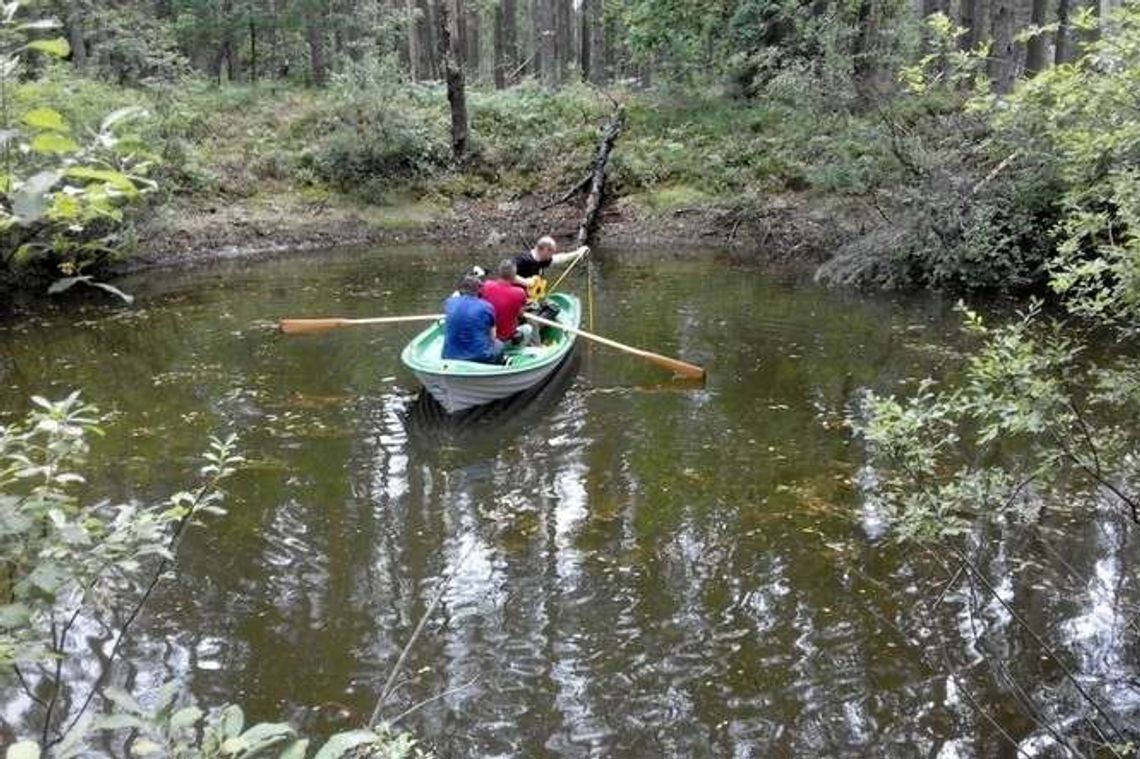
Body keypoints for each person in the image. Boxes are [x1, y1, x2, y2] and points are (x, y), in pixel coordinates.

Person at [441, 275, 503, 364]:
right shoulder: (487, 307)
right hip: (479, 357)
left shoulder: (449, 302)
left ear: (460, 290)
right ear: (479, 290)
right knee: (499, 344)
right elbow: (492, 337)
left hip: (449, 356)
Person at [481, 259, 537, 346]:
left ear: (499, 272)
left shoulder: (486, 285)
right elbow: (520, 314)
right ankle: (517, 351)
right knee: (528, 328)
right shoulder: (519, 292)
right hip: (503, 338)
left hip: (484, 335)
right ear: (515, 275)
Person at [513, 236, 589, 287]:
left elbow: (558, 259)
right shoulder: (522, 260)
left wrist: (577, 253)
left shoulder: (541, 260)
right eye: (551, 252)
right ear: (544, 250)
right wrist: (525, 282)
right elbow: (505, 275)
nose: (552, 254)